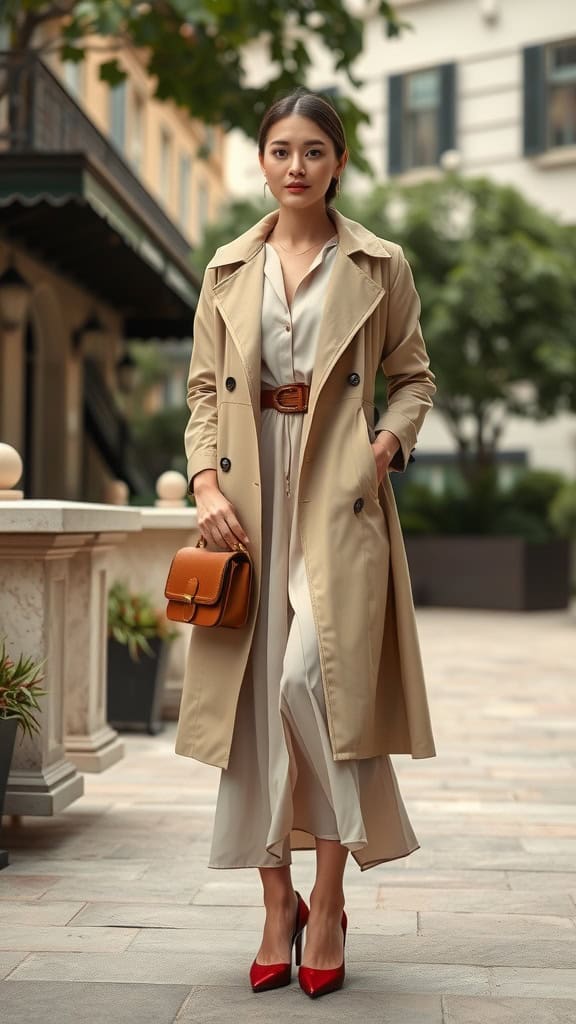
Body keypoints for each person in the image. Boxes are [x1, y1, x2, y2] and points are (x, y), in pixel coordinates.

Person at [174, 88, 437, 999]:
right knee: (256, 705)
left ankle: (329, 899)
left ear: (339, 162)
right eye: (281, 149)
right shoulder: (226, 267)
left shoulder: (378, 261)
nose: (296, 165)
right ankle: (277, 903)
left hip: (339, 492)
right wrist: (205, 482)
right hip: (247, 496)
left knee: (308, 682)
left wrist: (383, 447)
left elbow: (413, 376)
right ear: (261, 160)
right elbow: (205, 390)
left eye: (314, 150)